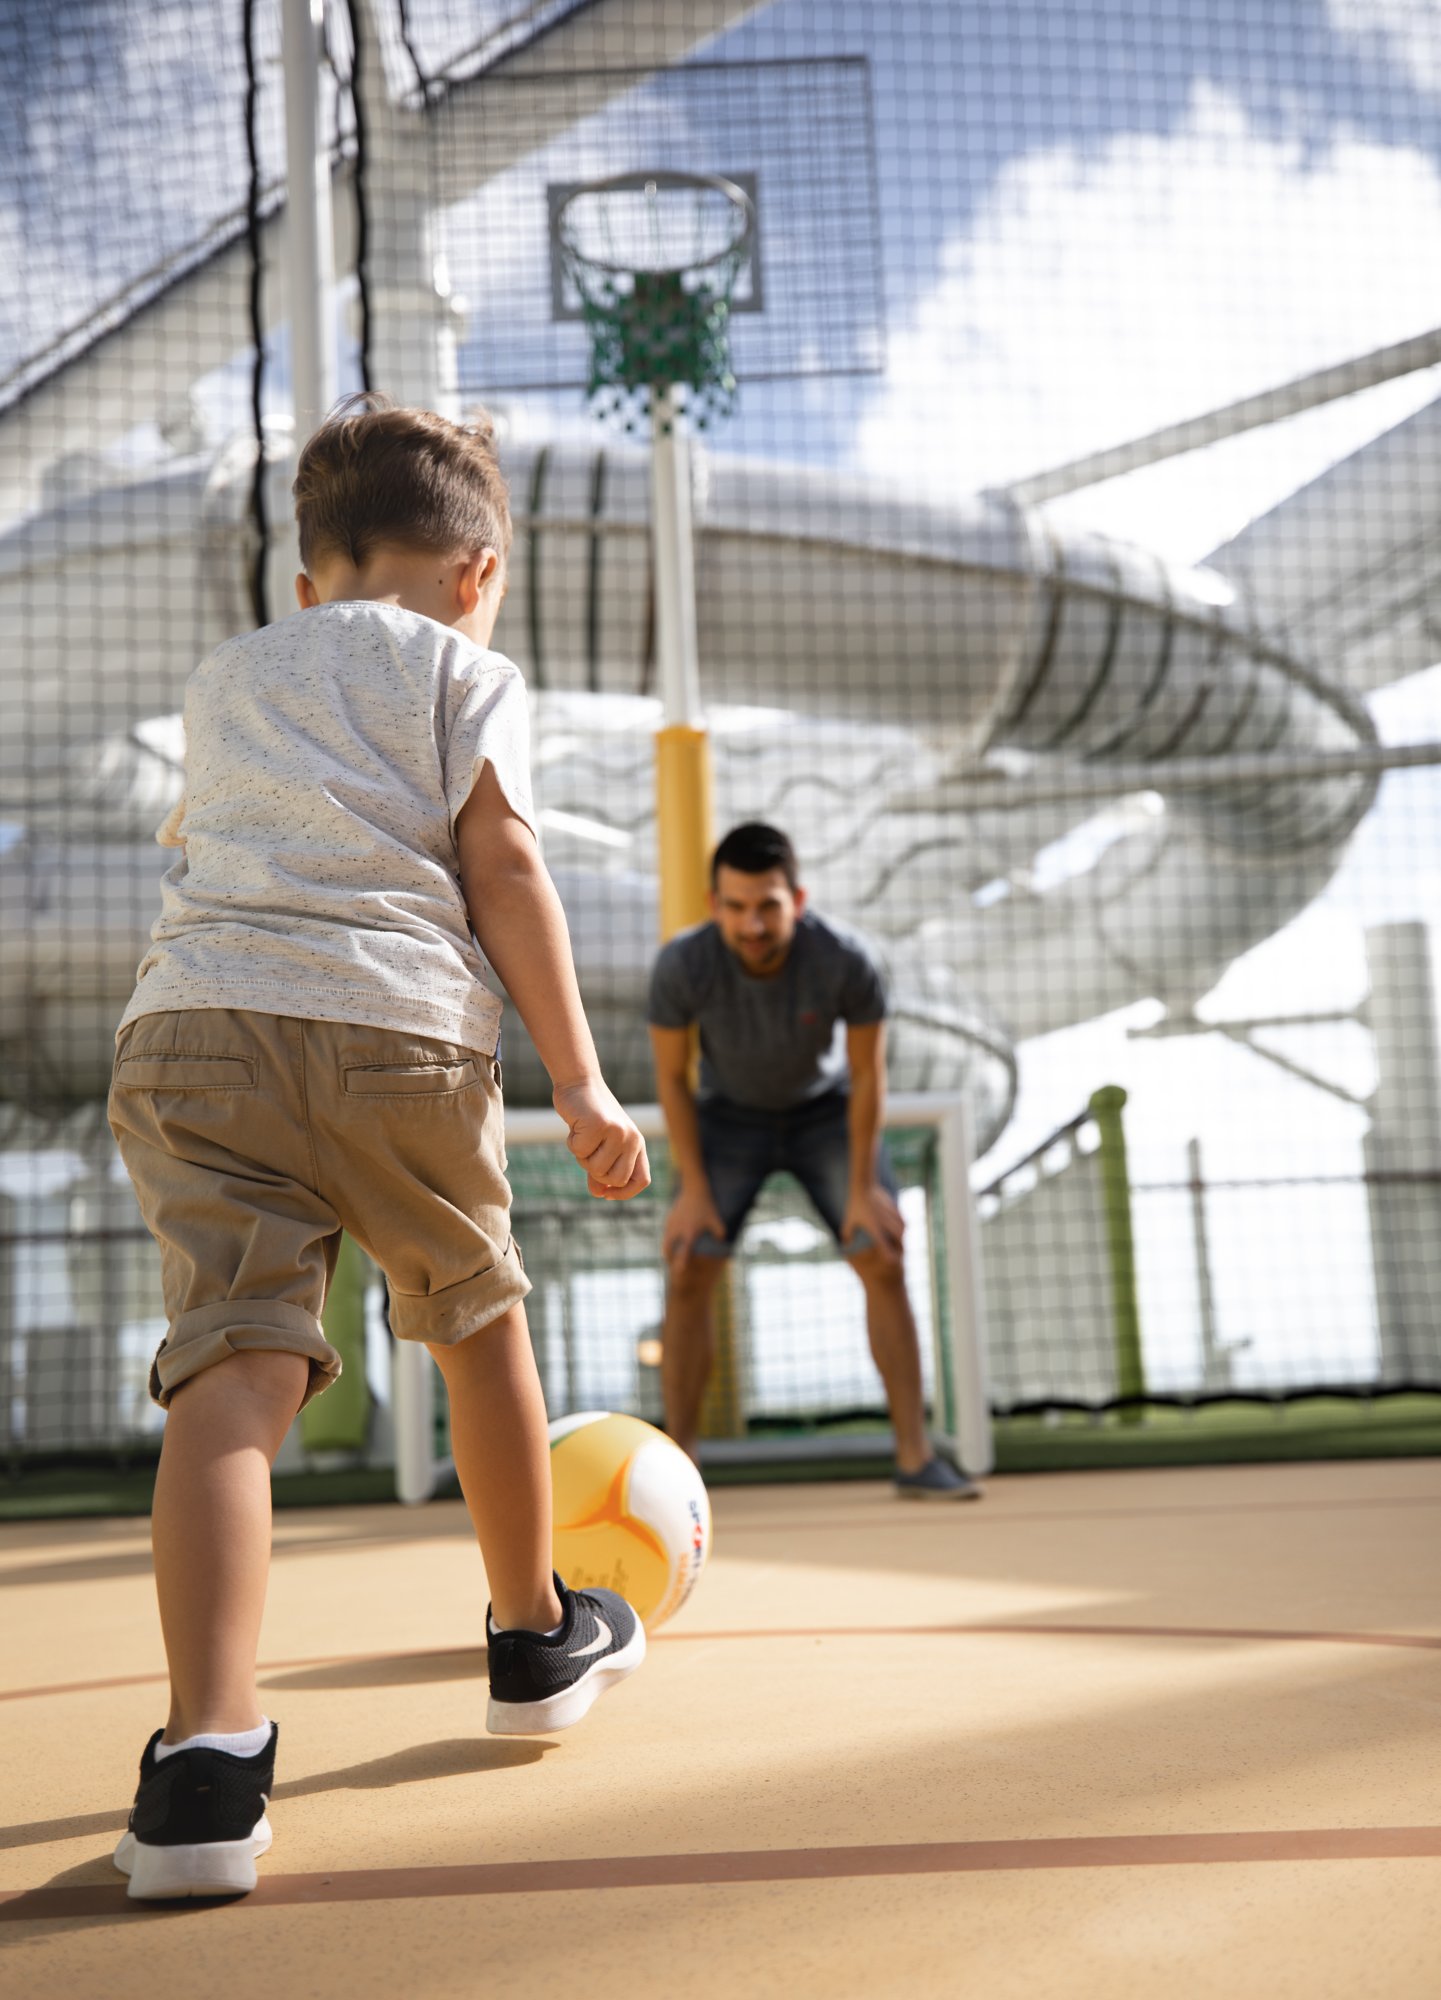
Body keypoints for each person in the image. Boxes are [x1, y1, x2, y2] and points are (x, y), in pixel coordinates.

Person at [106, 394, 649, 1902]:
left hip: (194, 1030)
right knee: (475, 1318)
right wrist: (587, 1084)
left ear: (308, 579)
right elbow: (505, 864)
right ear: (480, 571)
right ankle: (535, 1637)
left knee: (232, 1367)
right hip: (395, 1029)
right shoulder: (466, 666)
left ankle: (206, 1764)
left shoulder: (228, 675)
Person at [647, 822, 979, 1501]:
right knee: (689, 1263)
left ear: (796, 898)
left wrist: (862, 1189)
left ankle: (915, 1458)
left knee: (880, 1253)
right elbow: (673, 1081)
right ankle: (680, 1474)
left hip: (824, 1114)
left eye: (767, 905)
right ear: (714, 905)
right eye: (736, 907)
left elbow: (867, 1075)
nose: (753, 923)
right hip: (725, 1117)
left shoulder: (845, 960)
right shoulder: (682, 965)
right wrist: (692, 1191)